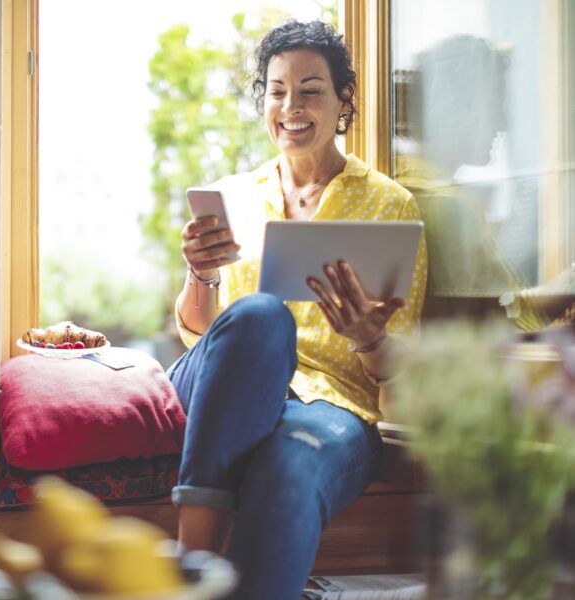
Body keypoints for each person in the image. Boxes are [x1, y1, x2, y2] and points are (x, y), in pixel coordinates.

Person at [166, 19, 428, 599]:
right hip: (224, 391)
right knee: (260, 315)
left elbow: (400, 372)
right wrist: (200, 272)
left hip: (330, 411)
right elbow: (198, 332)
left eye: (311, 89)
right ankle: (194, 560)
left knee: (289, 469)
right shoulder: (231, 194)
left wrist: (369, 338)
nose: (291, 105)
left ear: (342, 102)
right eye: (277, 90)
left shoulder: (390, 205)